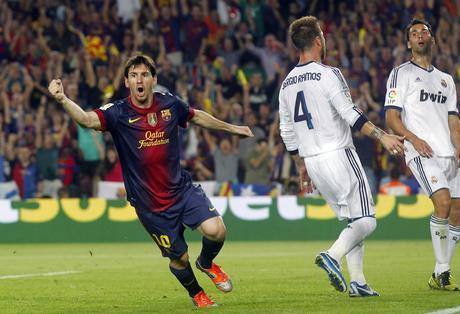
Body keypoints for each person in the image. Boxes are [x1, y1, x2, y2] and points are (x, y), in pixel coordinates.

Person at [48, 54, 254, 308]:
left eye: (144, 74)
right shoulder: (117, 112)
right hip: (150, 205)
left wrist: (234, 129)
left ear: (154, 79)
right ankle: (196, 293)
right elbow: (86, 120)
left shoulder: (169, 104)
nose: (139, 80)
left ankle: (207, 263)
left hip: (181, 190)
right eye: (134, 75)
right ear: (127, 82)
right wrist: (63, 99)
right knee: (179, 258)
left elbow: (197, 115)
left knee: (217, 231)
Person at [278, 16, 405, 297]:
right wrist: (382, 135)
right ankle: (332, 256)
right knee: (367, 220)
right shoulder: (328, 74)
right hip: (338, 154)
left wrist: (300, 168)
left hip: (312, 161)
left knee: (353, 221)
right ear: (317, 41)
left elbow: (286, 131)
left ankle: (358, 282)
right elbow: (350, 114)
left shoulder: (286, 84)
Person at [385, 19, 460, 291]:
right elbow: (391, 117)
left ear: (432, 40)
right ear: (408, 43)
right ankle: (443, 273)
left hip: (448, 153)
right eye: (414, 33)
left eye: (424, 32)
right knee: (442, 202)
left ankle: (440, 272)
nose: (419, 36)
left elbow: (453, 119)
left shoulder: (446, 80)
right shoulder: (400, 74)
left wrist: (459, 145)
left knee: (456, 212)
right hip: (421, 151)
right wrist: (414, 140)